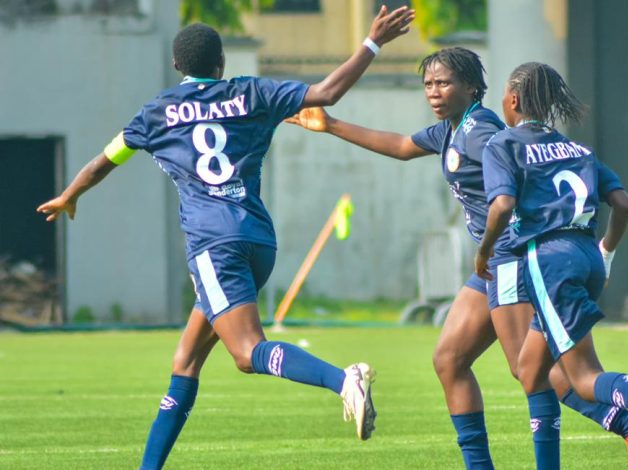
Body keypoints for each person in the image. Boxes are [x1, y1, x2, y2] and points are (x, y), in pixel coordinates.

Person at [37, 8, 415, 469]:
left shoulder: (156, 113)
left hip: (214, 246)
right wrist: (372, 42)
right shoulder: (252, 92)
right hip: (258, 241)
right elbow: (327, 93)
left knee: (246, 352)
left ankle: (344, 380)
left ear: (178, 67)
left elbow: (105, 160)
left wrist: (69, 195)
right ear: (221, 64)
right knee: (186, 361)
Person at [287, 48, 628, 470]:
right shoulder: (451, 129)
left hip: (511, 260)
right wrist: (331, 125)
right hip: (490, 267)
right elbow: (403, 145)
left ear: (471, 88)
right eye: (428, 84)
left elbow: (517, 181)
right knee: (450, 359)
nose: (434, 91)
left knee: (529, 372)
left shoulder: (484, 132)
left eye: (443, 83)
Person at [476, 62, 628, 470]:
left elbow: (503, 204)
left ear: (511, 100)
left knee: (582, 377)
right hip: (586, 254)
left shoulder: (503, 144)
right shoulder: (578, 149)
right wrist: (607, 252)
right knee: (531, 371)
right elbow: (623, 203)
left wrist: (483, 251)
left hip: (548, 259)